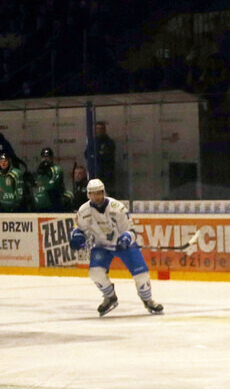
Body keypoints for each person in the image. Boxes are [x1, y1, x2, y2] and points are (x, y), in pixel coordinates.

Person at [70, 178, 163, 316]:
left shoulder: (117, 208)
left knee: (142, 275)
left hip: (123, 246)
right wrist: (77, 236)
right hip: (102, 246)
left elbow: (131, 231)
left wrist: (126, 238)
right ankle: (110, 297)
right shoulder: (83, 211)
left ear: (104, 192)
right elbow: (78, 228)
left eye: (99, 193)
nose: (96, 197)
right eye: (93, 193)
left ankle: (148, 300)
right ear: (88, 195)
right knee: (95, 273)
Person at [31, 147, 70, 212]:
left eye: (47, 157)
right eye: (44, 157)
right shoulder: (40, 169)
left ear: (52, 158)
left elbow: (52, 184)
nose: (45, 159)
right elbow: (35, 183)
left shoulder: (56, 169)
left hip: (54, 200)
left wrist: (42, 185)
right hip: (40, 202)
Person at [91, 121, 116, 195]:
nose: (99, 130)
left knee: (107, 193)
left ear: (104, 130)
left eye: (101, 128)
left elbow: (108, 156)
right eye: (97, 129)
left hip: (107, 173)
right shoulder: (92, 142)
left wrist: (99, 154)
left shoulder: (109, 142)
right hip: (95, 171)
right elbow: (87, 154)